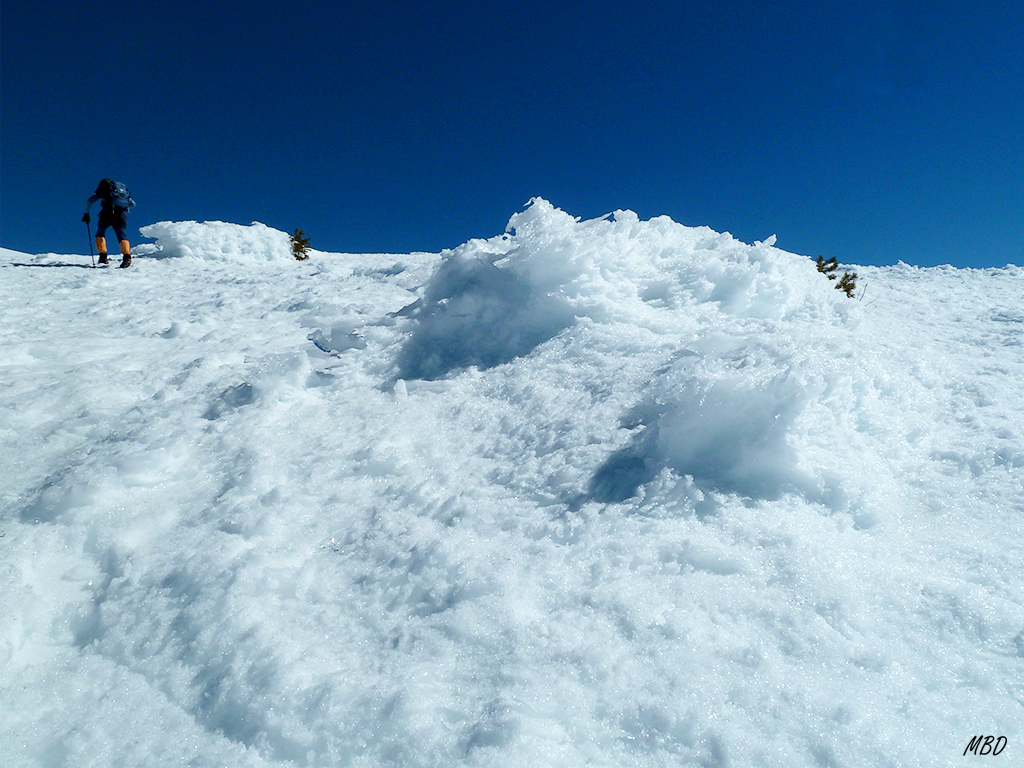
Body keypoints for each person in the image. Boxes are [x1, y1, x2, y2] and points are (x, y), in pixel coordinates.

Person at [82, 178, 134, 268]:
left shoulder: (103, 192)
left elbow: (90, 201)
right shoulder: (121, 192)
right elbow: (132, 204)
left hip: (106, 215)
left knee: (100, 234)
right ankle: (127, 258)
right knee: (121, 236)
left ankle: (103, 257)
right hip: (120, 215)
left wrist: (86, 214)